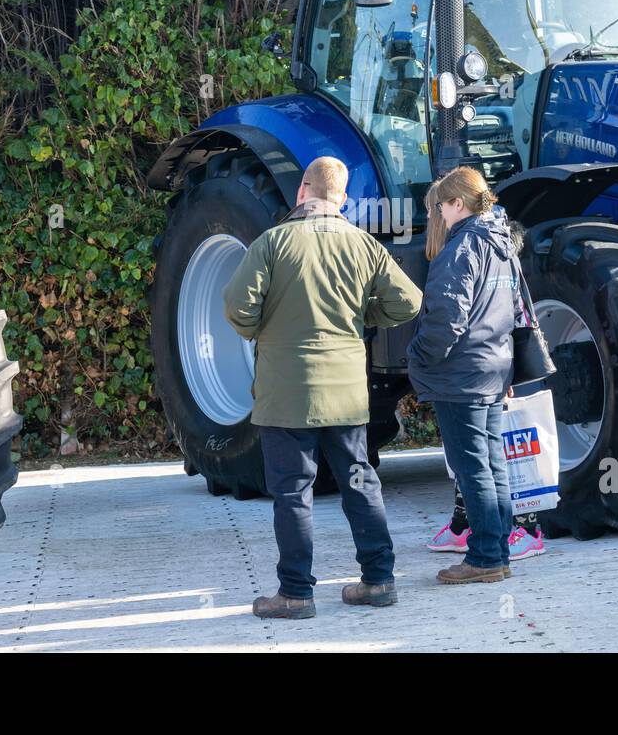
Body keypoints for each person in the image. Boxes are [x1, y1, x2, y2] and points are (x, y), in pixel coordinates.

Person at [224, 156, 422, 619]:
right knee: (360, 482)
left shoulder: (273, 243)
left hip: (287, 395)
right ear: (343, 198)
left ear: (302, 192)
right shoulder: (364, 244)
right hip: (349, 396)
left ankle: (295, 593)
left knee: (294, 492)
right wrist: (363, 317)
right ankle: (378, 580)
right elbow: (409, 302)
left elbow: (238, 309)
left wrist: (265, 327)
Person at [408, 167, 526, 584]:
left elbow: (446, 318)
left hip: (462, 376)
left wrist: (418, 356)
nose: (438, 212)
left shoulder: (461, 249)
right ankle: (497, 552)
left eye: (441, 204)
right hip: (494, 368)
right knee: (493, 467)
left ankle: (484, 559)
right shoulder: (501, 244)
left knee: (472, 468)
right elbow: (514, 310)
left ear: (458, 204)